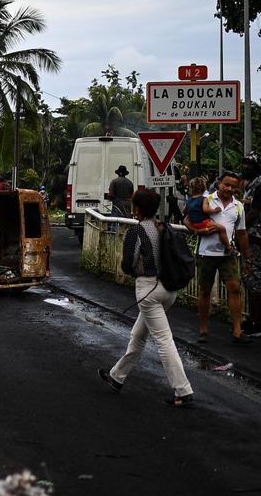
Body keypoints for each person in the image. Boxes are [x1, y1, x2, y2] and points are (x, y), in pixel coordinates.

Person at [98, 188, 195, 407]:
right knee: (138, 335)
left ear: (137, 208)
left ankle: (183, 390)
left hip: (148, 290)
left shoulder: (137, 231)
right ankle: (116, 377)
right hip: (169, 290)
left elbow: (127, 264)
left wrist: (134, 270)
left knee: (163, 340)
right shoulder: (164, 227)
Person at [189, 170, 251, 345]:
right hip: (206, 253)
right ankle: (203, 329)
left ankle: (237, 331)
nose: (229, 188)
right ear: (219, 184)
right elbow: (187, 218)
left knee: (234, 288)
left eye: (233, 186)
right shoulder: (206, 200)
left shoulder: (238, 206)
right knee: (205, 291)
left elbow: (242, 233)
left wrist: (247, 259)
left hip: (227, 254)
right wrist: (195, 230)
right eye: (226, 185)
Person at [240, 154, 261, 336]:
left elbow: (255, 212)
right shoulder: (249, 184)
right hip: (246, 237)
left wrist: (241, 229)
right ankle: (251, 319)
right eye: (244, 164)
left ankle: (258, 323)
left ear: (257, 166)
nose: (245, 167)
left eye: (249, 165)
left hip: (254, 237)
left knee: (256, 280)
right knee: (248, 279)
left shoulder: (260, 185)